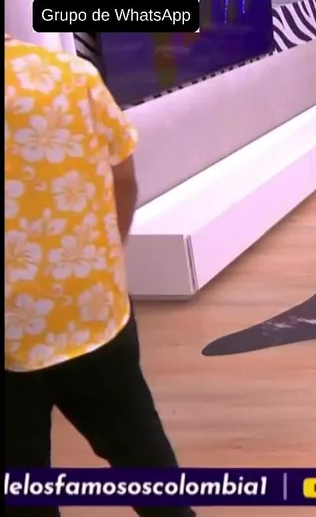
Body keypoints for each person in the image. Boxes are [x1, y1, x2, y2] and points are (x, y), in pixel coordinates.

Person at [4, 36, 195, 517]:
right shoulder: (73, 75)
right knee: (143, 456)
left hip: (10, 340)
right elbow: (123, 178)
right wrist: (103, 262)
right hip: (94, 310)